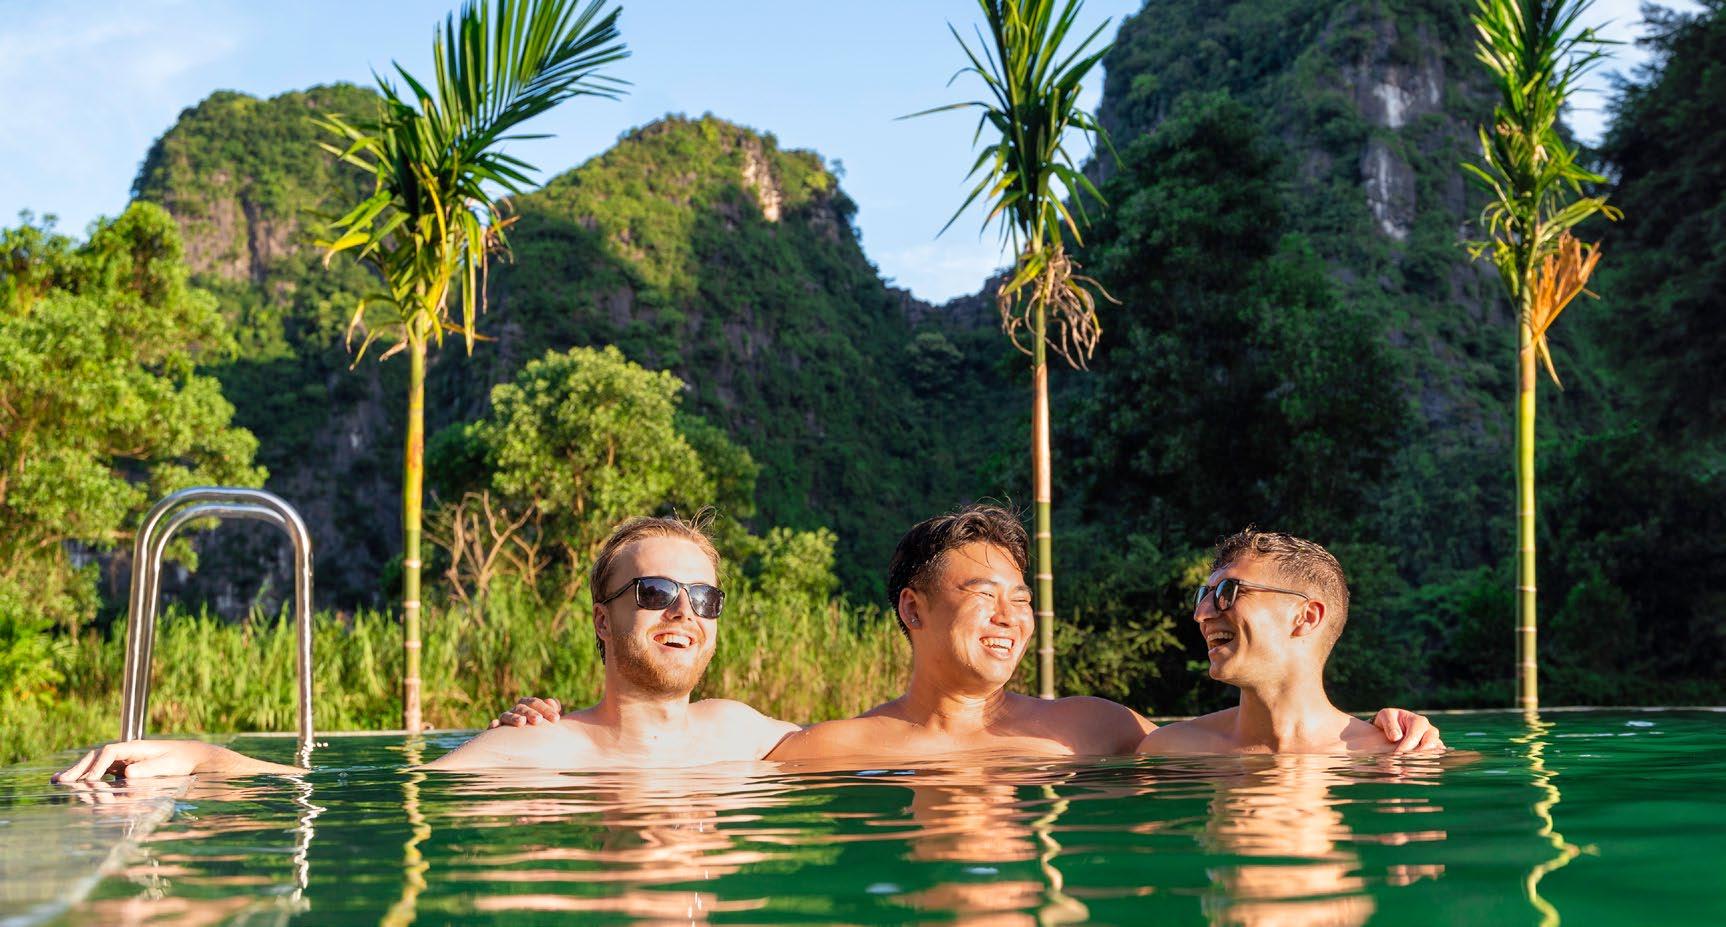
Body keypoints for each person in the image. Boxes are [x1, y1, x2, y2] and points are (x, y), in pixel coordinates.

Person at [53, 514, 797, 781]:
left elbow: (870, 742)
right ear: (603, 621)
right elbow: (356, 793)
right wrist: (203, 757)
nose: (684, 611)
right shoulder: (534, 752)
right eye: (657, 591)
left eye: (705, 598)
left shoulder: (747, 733)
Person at [757, 506, 1438, 764]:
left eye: (1022, 600)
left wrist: (1401, 730)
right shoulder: (827, 750)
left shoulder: (1099, 729)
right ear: (913, 610)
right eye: (985, 595)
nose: (1010, 616)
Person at [1138, 528, 1442, 755]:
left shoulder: (1397, 754)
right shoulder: (1171, 749)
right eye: (1203, 596)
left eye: (1228, 591)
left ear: (1306, 617)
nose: (1201, 614)